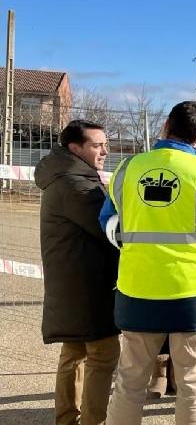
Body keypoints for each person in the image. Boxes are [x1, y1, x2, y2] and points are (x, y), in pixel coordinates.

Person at [101, 101, 196, 425]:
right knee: (193, 387)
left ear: (166, 125)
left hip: (138, 289)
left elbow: (109, 224)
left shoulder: (128, 168)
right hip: (195, 292)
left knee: (129, 383)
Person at [34, 120, 119, 425]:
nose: (105, 151)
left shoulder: (66, 176)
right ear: (75, 148)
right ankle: (92, 422)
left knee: (74, 353)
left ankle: (67, 419)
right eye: (97, 145)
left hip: (71, 283)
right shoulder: (77, 185)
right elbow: (112, 230)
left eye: (104, 144)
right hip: (87, 287)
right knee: (104, 354)